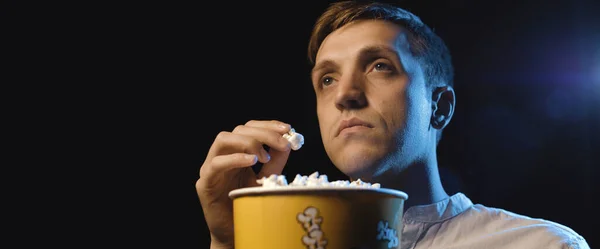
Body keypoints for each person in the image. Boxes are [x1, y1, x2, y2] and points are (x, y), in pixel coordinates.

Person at [195, 1, 590, 248]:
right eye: (327, 79)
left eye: (380, 66)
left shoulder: (539, 245)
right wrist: (229, 241)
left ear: (439, 107)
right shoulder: (275, 245)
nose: (344, 94)